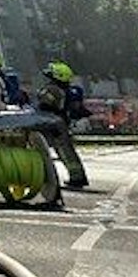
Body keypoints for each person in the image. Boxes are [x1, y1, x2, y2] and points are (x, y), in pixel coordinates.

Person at [35, 60, 91, 189]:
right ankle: (78, 177)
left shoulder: (52, 89)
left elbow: (44, 104)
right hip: (62, 122)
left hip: (52, 123)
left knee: (44, 149)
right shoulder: (70, 91)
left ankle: (73, 178)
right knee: (67, 151)